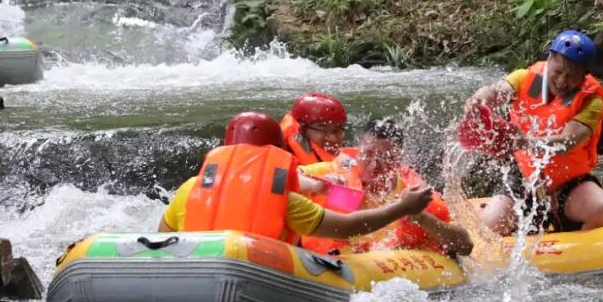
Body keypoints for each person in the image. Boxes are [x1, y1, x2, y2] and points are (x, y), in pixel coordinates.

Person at [158, 112, 433, 243]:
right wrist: (402, 208)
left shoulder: (188, 188)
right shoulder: (284, 202)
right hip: (258, 274)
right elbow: (348, 227)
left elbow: (160, 241)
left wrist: (315, 186)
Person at [463, 29, 603, 235]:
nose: (562, 81)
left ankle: (579, 251)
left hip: (568, 183)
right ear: (549, 59)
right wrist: (478, 101)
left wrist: (524, 142)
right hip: (525, 178)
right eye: (558, 72)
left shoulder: (590, 100)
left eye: (571, 76)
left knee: (601, 210)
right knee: (491, 225)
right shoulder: (524, 78)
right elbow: (497, 91)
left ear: (585, 75)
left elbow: (567, 141)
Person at [302, 118, 474, 257]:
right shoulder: (335, 172)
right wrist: (316, 185)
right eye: (368, 154)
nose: (375, 164)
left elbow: (464, 246)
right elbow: (285, 175)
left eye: (386, 157)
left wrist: (420, 217)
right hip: (336, 261)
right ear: (357, 150)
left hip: (389, 271)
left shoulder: (413, 193)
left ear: (398, 159)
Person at [280, 92, 347, 165]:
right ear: (302, 129)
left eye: (336, 130)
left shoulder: (349, 160)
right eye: (323, 128)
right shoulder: (282, 159)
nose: (333, 138)